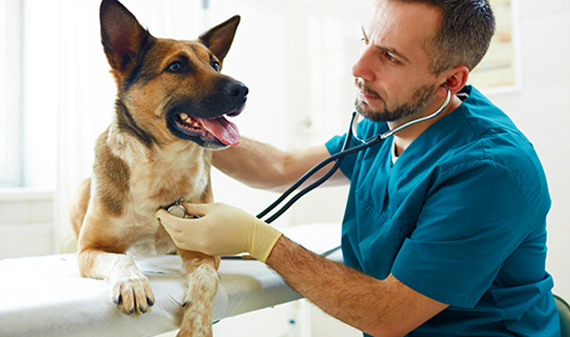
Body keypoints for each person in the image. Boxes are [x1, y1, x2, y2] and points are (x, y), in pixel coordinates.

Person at [156, 0, 561, 336]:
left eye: (389, 57)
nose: (358, 68)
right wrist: (194, 126)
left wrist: (260, 240)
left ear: (451, 80)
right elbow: (280, 167)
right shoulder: (390, 120)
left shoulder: (489, 170)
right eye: (368, 41)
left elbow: (390, 315)